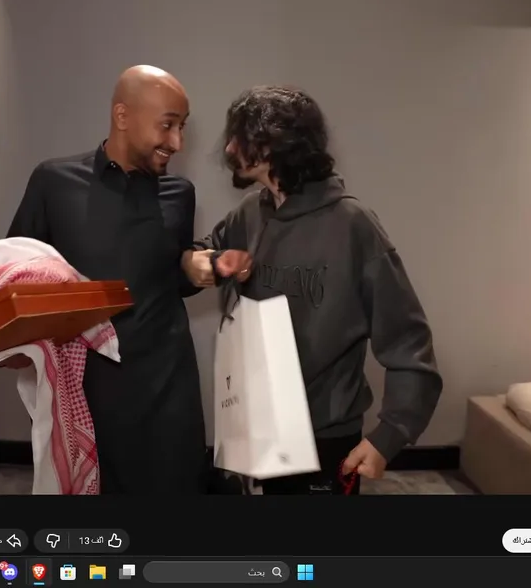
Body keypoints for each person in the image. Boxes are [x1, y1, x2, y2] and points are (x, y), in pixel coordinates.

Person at [186, 86, 442, 494]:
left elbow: (408, 340)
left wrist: (389, 434)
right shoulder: (250, 212)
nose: (230, 148)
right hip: (257, 424)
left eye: (241, 136)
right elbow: (207, 250)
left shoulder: (354, 225)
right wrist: (207, 262)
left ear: (277, 143)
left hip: (325, 436)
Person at [6, 65, 224, 494]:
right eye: (168, 125)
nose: (177, 143)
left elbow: (169, 278)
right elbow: (14, 274)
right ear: (122, 116)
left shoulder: (179, 194)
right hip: (87, 392)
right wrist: (11, 343)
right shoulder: (53, 182)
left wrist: (194, 267)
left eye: (182, 127)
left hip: (168, 388)